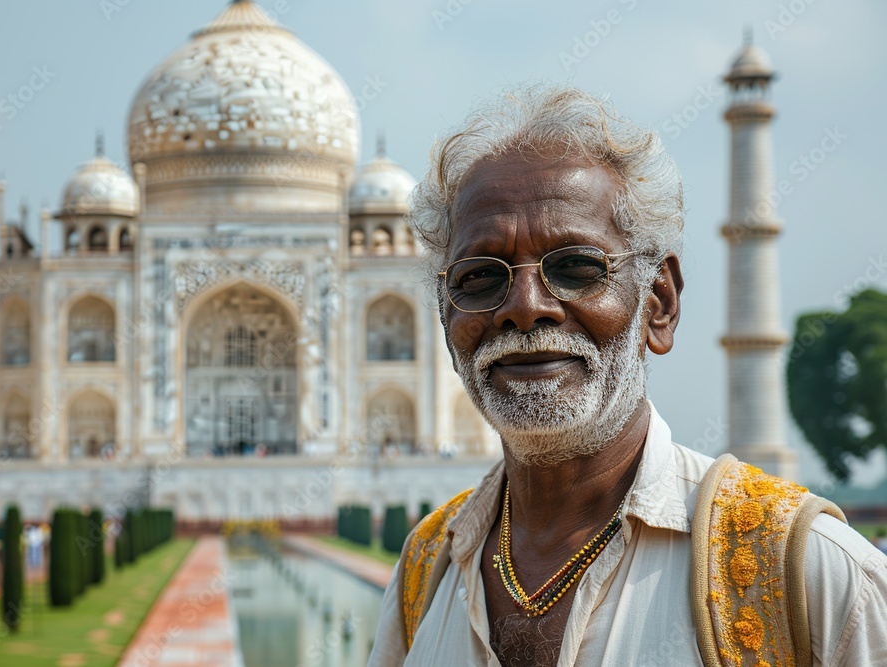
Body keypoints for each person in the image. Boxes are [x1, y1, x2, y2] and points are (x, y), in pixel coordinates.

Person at [367, 86, 887, 666]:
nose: (525, 305)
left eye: (575, 268)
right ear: (445, 316)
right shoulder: (426, 571)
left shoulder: (808, 572)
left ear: (658, 305)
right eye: (480, 279)